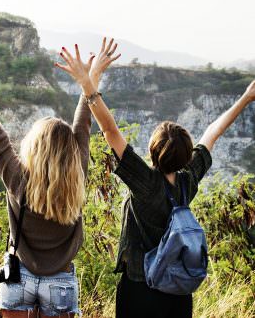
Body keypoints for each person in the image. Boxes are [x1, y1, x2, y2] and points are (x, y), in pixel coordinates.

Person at [55, 37, 255, 318]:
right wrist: (246, 97)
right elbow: (213, 133)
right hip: (178, 290)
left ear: (152, 150)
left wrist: (87, 84)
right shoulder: (188, 180)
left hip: (140, 286)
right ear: (187, 155)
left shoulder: (145, 182)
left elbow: (110, 130)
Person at [0, 48, 116, 318]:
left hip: (17, 279)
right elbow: (83, 123)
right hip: (61, 282)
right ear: (71, 152)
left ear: (34, 147)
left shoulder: (16, 178)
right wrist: (91, 78)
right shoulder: (77, 173)